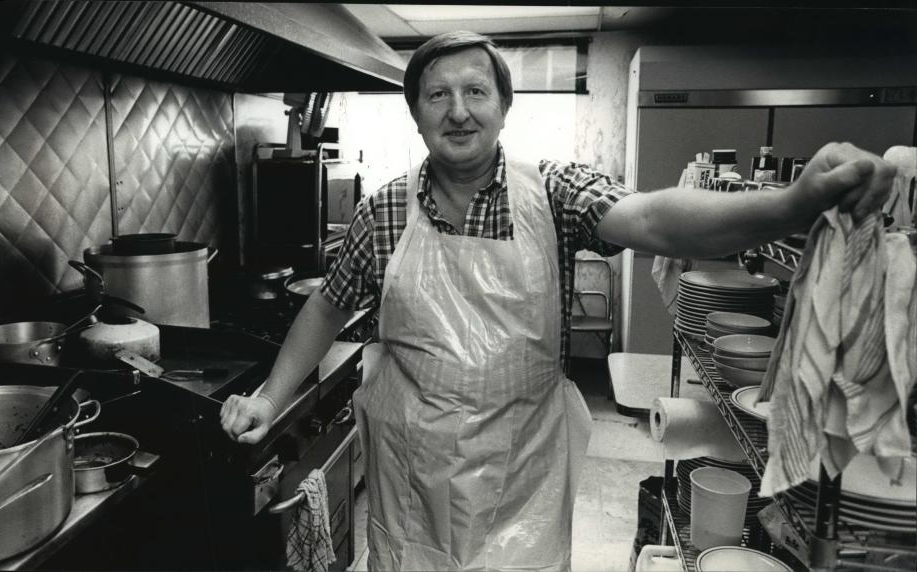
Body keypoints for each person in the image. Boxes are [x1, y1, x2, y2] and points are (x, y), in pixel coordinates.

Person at [221, 31, 896, 570]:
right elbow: (326, 306)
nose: (458, 110)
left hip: (523, 477)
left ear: (504, 106)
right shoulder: (383, 212)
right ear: (416, 113)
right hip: (412, 476)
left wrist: (788, 205)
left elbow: (654, 219)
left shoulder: (554, 191)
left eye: (475, 90)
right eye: (437, 95)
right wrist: (270, 398)